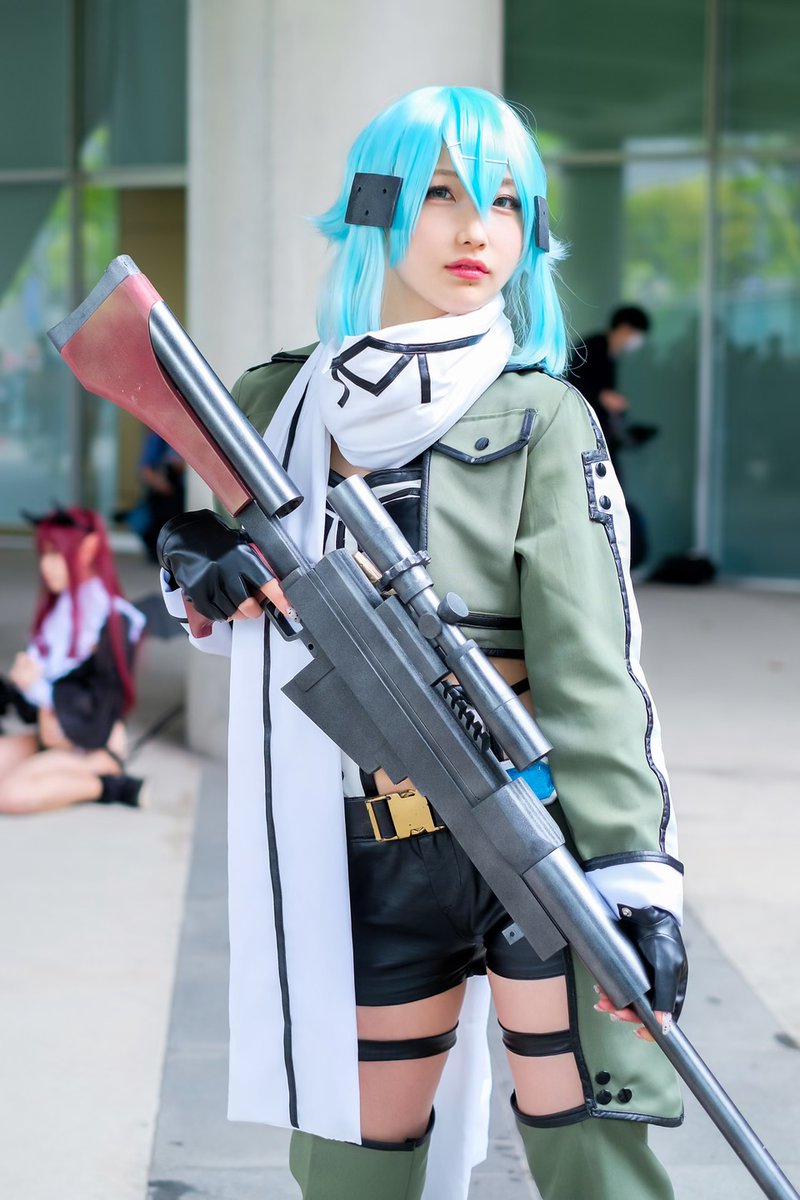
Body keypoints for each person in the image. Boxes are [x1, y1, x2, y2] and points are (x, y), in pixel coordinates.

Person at [156, 87, 686, 1200]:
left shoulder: (541, 414)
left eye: (506, 201)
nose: (476, 229)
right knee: (351, 1157)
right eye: (441, 193)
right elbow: (224, 593)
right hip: (359, 838)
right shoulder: (275, 399)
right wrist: (197, 560)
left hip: (525, 829)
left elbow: (594, 670)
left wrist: (636, 877)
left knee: (591, 1139)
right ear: (376, 207)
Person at [0, 506, 146, 814]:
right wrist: (23, 684)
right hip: (50, 737)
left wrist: (36, 687)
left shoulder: (113, 620)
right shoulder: (57, 610)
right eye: (44, 554)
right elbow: (38, 705)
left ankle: (110, 785)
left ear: (89, 548)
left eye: (56, 554)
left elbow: (98, 706)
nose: (46, 565)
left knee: (8, 795)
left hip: (90, 743)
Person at [568, 306, 657, 567]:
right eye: (636, 334)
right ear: (625, 329)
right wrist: (603, 397)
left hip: (602, 436)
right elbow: (572, 382)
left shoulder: (609, 354)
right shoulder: (593, 347)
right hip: (586, 437)